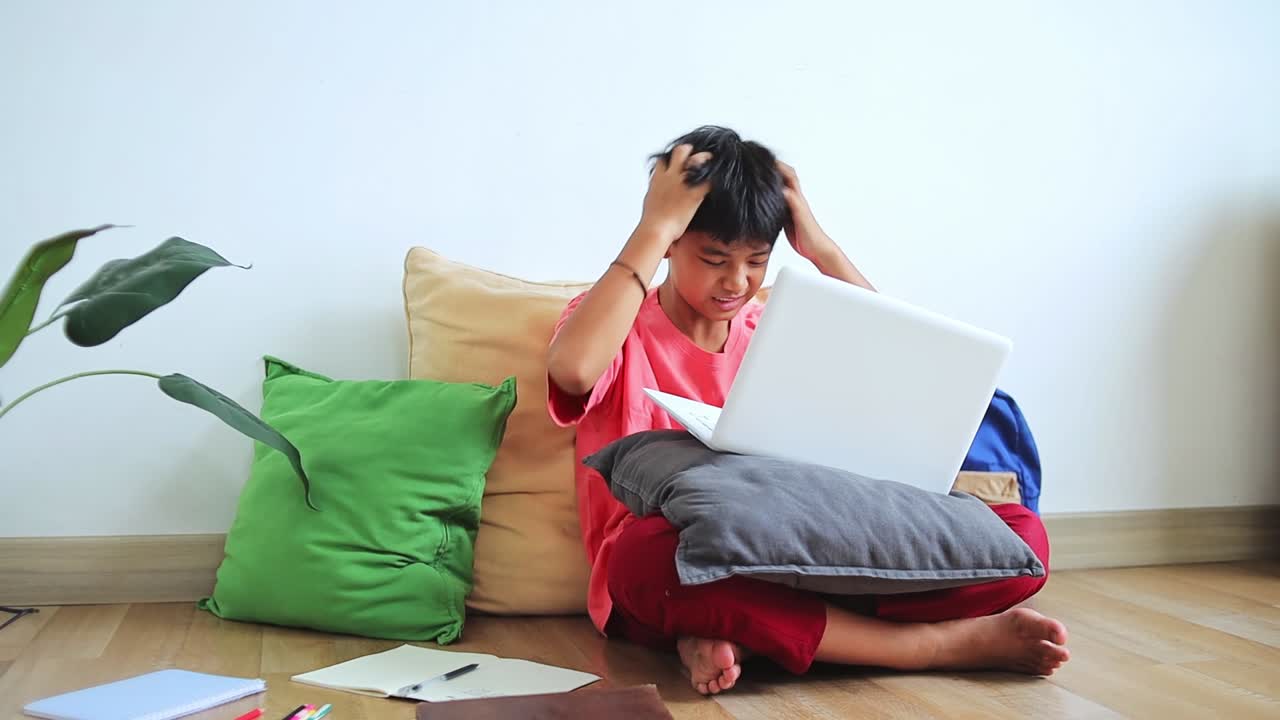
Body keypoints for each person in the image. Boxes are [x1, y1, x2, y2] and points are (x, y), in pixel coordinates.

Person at [546, 126, 1069, 695]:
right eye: (715, 258)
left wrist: (819, 247)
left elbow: (900, 366)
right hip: (681, 558)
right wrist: (654, 224)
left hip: (797, 548)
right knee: (640, 563)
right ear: (672, 243)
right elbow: (573, 371)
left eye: (756, 261)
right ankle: (931, 645)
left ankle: (747, 631)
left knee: (1019, 539)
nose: (737, 281)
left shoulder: (781, 326)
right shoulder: (616, 325)